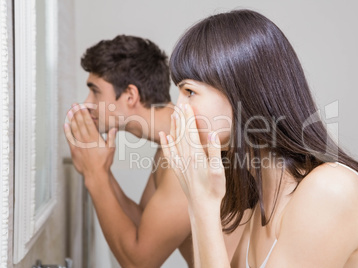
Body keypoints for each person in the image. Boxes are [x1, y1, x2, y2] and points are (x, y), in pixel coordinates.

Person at [159, 9, 358, 268]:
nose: (178, 107)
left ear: (241, 90)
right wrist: (198, 204)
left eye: (189, 91)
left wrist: (202, 205)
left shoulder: (329, 190)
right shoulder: (257, 207)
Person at [63, 35, 245, 267]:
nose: (86, 102)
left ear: (130, 95)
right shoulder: (169, 143)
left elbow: (140, 262)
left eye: (95, 91)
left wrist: (95, 176)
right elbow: (143, 224)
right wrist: (102, 171)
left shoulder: (188, 148)